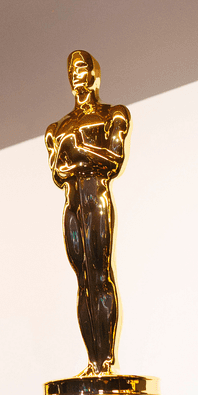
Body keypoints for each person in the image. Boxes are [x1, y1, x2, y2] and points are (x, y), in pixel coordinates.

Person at [44, 50, 129, 376]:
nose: (76, 75)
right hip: (73, 204)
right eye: (71, 71)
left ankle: (106, 362)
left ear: (94, 72)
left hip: (96, 197)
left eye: (81, 68)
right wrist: (79, 154)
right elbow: (57, 172)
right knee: (83, 281)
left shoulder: (113, 114)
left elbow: (112, 159)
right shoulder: (57, 126)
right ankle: (93, 362)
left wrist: (79, 150)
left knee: (100, 274)